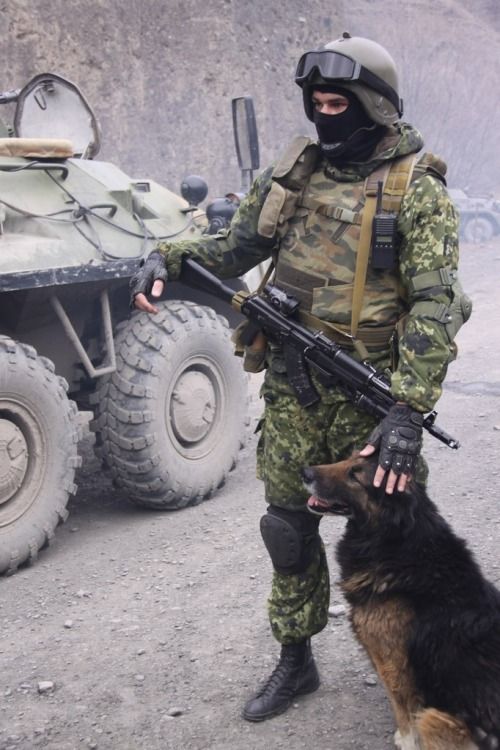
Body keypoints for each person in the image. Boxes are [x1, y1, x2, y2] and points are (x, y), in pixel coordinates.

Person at [131, 33, 470, 722]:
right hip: (293, 391)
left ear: (374, 105)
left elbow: (438, 305)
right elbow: (235, 246)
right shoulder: (293, 177)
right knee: (287, 531)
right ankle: (296, 658)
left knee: (405, 547)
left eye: (338, 103)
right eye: (316, 103)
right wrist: (169, 254)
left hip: (376, 403)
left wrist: (407, 413)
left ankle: (425, 669)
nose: (324, 115)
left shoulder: (416, 190)